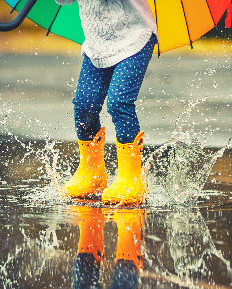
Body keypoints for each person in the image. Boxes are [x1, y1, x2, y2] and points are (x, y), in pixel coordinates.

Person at [57, 0, 158, 205]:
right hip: (98, 44)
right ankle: (91, 173)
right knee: (85, 106)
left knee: (119, 102)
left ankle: (131, 177)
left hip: (134, 36)